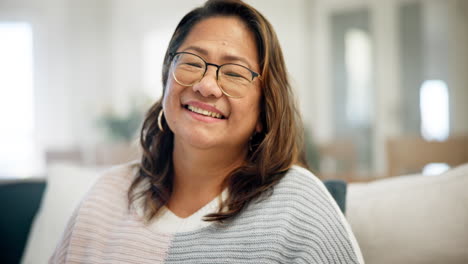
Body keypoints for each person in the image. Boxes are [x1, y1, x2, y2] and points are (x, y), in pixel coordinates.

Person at [51, 0, 364, 263]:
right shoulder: (106, 194)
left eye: (234, 73)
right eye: (191, 62)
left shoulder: (300, 208)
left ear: (263, 110)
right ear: (167, 80)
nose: (206, 85)